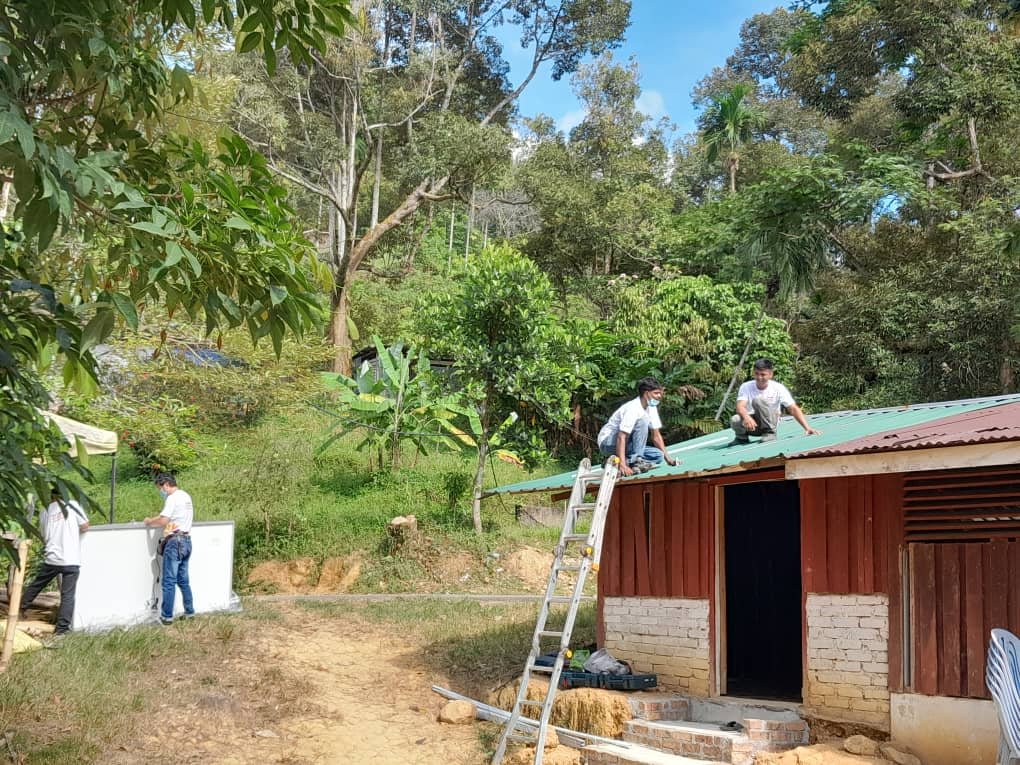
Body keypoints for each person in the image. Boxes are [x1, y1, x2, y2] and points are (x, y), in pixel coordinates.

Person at [21, 488, 90, 635]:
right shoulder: (72, 505)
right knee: (67, 596)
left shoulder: (45, 511)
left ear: (51, 497)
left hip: (52, 558)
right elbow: (85, 526)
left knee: (37, 585)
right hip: (71, 559)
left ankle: (20, 608)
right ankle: (61, 630)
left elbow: (44, 534)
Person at [597, 377, 679, 477]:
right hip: (608, 443)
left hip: (627, 444)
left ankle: (614, 463)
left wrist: (669, 460)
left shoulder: (651, 407)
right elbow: (621, 436)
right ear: (646, 393)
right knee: (643, 420)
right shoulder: (633, 408)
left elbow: (656, 436)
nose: (659, 396)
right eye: (656, 393)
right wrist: (623, 465)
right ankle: (633, 462)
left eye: (660, 393)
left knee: (658, 455)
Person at [730, 358, 820, 445]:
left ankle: (770, 433)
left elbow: (793, 408)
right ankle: (741, 438)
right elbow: (740, 406)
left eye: (763, 374)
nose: (759, 377)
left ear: (770, 374)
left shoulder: (778, 388)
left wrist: (807, 428)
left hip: (770, 422)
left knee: (758, 400)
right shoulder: (746, 386)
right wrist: (746, 417)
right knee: (735, 419)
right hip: (752, 425)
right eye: (756, 374)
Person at [144, 473, 194, 625]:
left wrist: (149, 521)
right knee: (183, 581)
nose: (161, 492)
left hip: (174, 543)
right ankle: (189, 612)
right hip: (186, 541)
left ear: (166, 484)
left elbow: (163, 520)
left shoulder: (172, 498)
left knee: (169, 581)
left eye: (160, 488)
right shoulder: (186, 496)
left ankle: (166, 616)